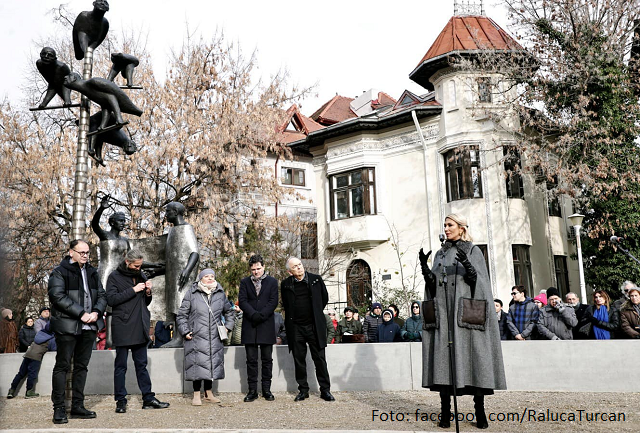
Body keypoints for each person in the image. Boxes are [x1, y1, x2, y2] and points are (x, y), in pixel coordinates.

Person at [419, 214, 506, 430]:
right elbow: (435, 284)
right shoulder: (440, 253)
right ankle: (446, 414)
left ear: (461, 227)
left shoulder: (473, 251)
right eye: (445, 226)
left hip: (464, 317)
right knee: (444, 363)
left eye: (450, 225)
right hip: (444, 318)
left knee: (473, 360)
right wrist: (425, 268)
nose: (446, 229)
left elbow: (480, 283)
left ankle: (480, 412)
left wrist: (468, 266)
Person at [48, 239, 107, 424]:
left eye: (87, 252)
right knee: (62, 366)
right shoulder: (59, 272)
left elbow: (102, 295)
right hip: (67, 326)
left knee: (82, 367)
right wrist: (81, 313)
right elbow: (57, 296)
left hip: (90, 326)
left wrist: (96, 312)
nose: (85, 255)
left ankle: (77, 406)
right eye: (81, 252)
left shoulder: (92, 272)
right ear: (71, 252)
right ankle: (58, 409)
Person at [106, 249, 169, 413]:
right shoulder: (114, 277)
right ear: (127, 262)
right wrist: (133, 290)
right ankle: (120, 400)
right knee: (121, 366)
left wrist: (148, 292)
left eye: (140, 265)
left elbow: (145, 302)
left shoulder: (141, 275)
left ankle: (148, 398)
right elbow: (111, 300)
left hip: (140, 325)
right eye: (136, 265)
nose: (138, 268)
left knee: (142, 365)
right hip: (123, 326)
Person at [281, 257, 335, 402]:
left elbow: (324, 299)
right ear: (289, 271)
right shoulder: (286, 284)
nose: (299, 268)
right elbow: (286, 305)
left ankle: (325, 390)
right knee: (299, 360)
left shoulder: (316, 280)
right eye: (295, 267)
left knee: (320, 359)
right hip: (296, 328)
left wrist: (315, 313)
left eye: (300, 265)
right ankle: (303, 390)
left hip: (314, 326)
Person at [177, 269, 234, 406]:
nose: (209, 278)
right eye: (206, 276)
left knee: (211, 363)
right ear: (200, 279)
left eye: (212, 276)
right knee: (197, 363)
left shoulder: (220, 294)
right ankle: (196, 394)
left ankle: (209, 393)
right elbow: (181, 315)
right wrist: (185, 331)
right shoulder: (192, 293)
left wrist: (227, 326)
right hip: (196, 335)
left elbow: (229, 312)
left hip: (214, 335)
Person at [238, 254, 279, 402]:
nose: (256, 272)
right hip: (250, 325)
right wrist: (253, 314)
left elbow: (273, 301)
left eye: (258, 268)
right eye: (253, 269)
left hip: (266, 324)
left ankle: (267, 389)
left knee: (267, 359)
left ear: (263, 267)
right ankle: (252, 390)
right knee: (251, 360)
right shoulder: (244, 282)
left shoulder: (272, 282)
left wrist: (261, 315)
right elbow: (242, 301)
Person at [7, 322, 56, 399]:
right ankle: (29, 392)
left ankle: (11, 390)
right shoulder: (52, 338)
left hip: (28, 354)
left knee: (21, 373)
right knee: (32, 374)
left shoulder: (40, 333)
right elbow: (53, 348)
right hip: (36, 356)